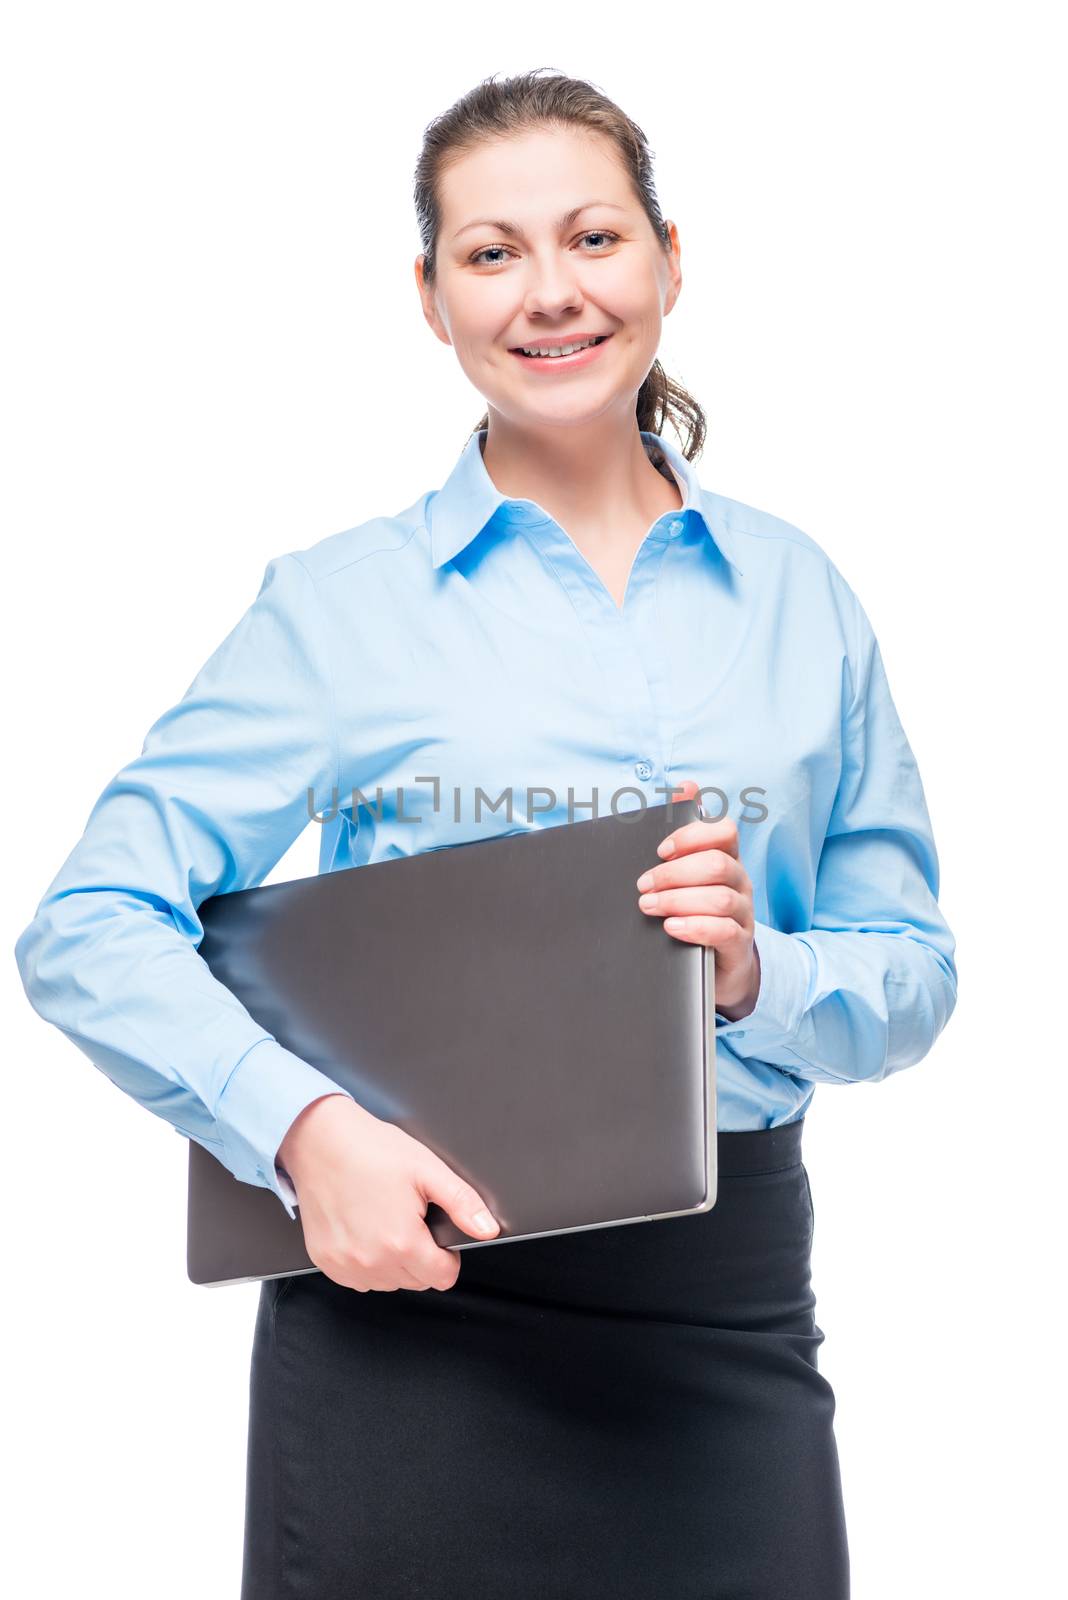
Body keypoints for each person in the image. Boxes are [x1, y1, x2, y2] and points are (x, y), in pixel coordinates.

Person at [13, 68, 957, 1600]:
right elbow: (89, 922)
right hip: (413, 1312)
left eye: (592, 237)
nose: (550, 293)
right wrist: (304, 1134)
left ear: (667, 259)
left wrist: (750, 977)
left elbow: (911, 974)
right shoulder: (339, 606)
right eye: (491, 251)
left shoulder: (804, 597)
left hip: (726, 1323)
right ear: (431, 296)